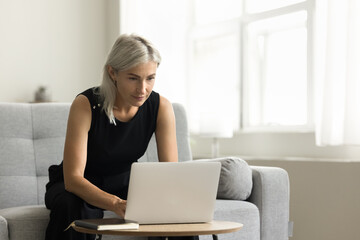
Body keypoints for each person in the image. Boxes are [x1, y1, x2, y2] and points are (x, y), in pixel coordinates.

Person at [44, 34, 198, 240]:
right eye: (133, 78)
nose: (142, 89)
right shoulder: (85, 104)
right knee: (71, 205)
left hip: (125, 183)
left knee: (179, 208)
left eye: (150, 78)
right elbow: (73, 179)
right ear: (113, 72)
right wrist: (115, 204)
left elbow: (170, 177)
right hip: (77, 185)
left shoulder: (161, 107)